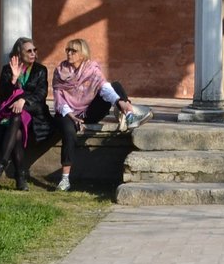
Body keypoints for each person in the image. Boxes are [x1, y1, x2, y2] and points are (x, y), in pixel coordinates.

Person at [50, 38, 152, 192]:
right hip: (66, 112)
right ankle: (65, 179)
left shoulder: (91, 69)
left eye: (73, 51)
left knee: (114, 86)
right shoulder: (60, 71)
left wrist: (120, 102)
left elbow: (104, 88)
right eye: (67, 50)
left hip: (87, 112)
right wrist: (70, 114)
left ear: (82, 54)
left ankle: (128, 114)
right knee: (69, 132)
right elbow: (59, 98)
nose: (69, 53)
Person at [0, 37, 49, 190]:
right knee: (17, 133)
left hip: (33, 112)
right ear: (19, 54)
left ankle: (2, 164)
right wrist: (13, 79)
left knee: (17, 117)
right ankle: (20, 177)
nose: (33, 53)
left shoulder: (41, 70)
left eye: (34, 50)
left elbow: (41, 94)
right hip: (11, 114)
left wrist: (24, 101)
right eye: (29, 51)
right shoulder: (8, 69)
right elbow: (3, 95)